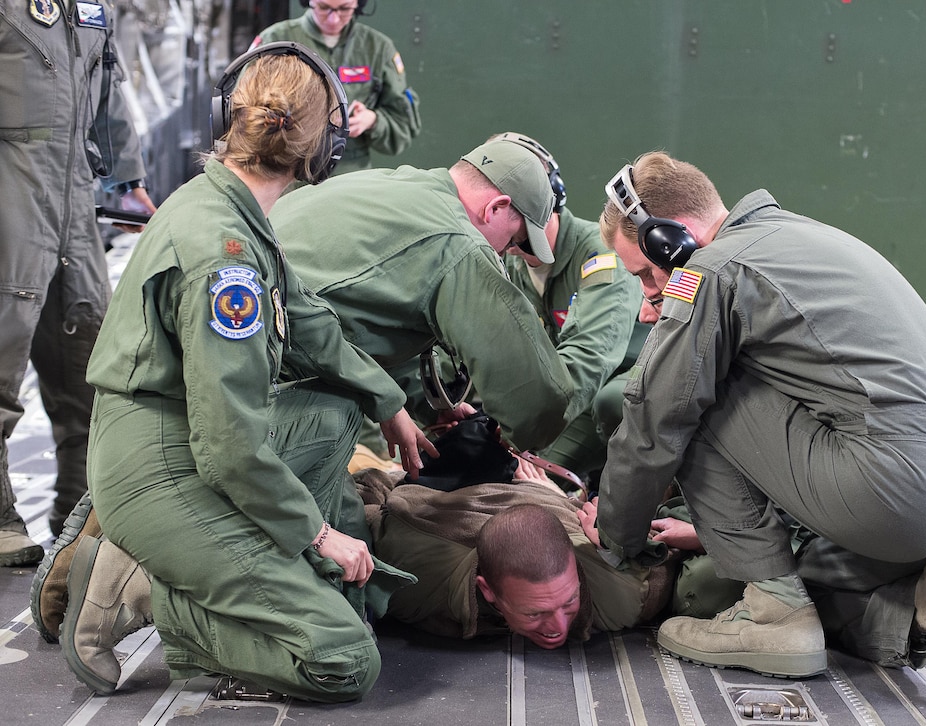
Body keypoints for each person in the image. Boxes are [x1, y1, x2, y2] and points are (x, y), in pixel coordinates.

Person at [578, 151, 926, 709]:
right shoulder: (801, 238)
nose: (650, 297)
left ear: (671, 238)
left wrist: (614, 537)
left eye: (648, 272)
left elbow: (655, 417)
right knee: (814, 579)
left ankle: (774, 614)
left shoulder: (711, 269)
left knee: (690, 386)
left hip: (890, 491)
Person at [56, 44, 436, 702]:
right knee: (343, 657)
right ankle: (141, 591)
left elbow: (309, 323)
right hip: (164, 470)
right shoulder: (224, 255)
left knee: (338, 409)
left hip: (180, 440)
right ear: (326, 147)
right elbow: (228, 446)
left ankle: (186, 569)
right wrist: (317, 536)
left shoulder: (224, 204)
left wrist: (388, 404)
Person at [269, 138, 576, 452]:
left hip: (239, 359)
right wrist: (511, 442)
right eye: (513, 240)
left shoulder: (391, 184)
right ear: (495, 207)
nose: (507, 252)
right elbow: (537, 400)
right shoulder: (457, 242)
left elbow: (361, 315)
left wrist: (433, 406)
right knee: (340, 418)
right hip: (257, 392)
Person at [0, 0, 157, 564]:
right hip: (10, 184)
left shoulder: (90, 7)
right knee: (2, 355)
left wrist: (131, 177)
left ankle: (77, 521)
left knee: (91, 364)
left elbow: (107, 85)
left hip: (75, 196)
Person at [356, 460, 675, 648]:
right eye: (535, 613)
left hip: (547, 496)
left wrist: (612, 539)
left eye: (568, 602)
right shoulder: (407, 578)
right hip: (447, 503)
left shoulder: (619, 595)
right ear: (488, 591)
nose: (559, 627)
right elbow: (367, 487)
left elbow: (664, 556)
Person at [496, 133, 645, 479]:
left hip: (624, 387)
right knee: (507, 476)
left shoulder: (600, 254)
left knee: (538, 478)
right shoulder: (509, 267)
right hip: (571, 400)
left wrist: (521, 437)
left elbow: (592, 354)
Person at [251, 0, 420, 174]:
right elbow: (243, 112)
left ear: (358, 5)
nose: (333, 19)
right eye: (324, 8)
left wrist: (373, 121)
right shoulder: (275, 40)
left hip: (349, 176)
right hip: (286, 172)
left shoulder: (377, 48)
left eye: (345, 9)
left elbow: (403, 126)